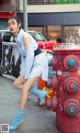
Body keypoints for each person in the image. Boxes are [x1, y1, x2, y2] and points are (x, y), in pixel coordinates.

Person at [7, 16, 48, 130]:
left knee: (25, 88)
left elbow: (30, 55)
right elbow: (24, 57)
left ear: (19, 25)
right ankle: (40, 93)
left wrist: (27, 74)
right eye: (9, 24)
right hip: (31, 63)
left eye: (13, 23)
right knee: (16, 84)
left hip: (38, 61)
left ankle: (18, 118)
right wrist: (23, 72)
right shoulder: (16, 38)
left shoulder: (24, 36)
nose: (10, 26)